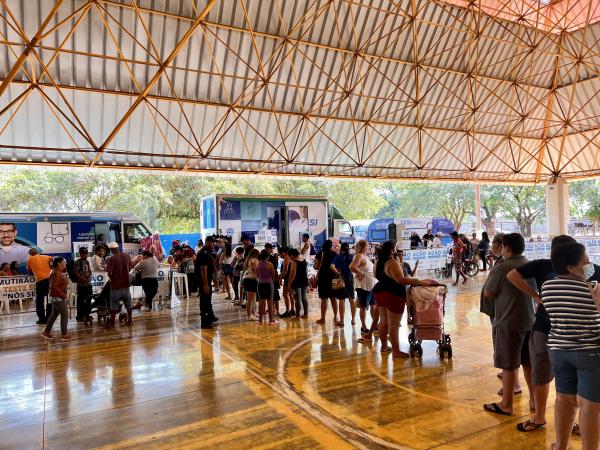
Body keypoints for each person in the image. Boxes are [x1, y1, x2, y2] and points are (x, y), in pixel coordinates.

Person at [506, 235, 587, 433]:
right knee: (542, 373)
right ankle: (540, 416)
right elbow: (512, 275)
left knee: (573, 378)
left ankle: (576, 422)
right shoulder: (543, 266)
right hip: (547, 329)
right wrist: (535, 296)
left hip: (573, 334)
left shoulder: (587, 269)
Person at [542, 242, 600, 450]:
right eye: (585, 261)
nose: (589, 265)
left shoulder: (547, 286)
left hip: (558, 350)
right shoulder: (592, 288)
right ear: (571, 267)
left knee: (564, 400)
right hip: (589, 352)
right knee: (589, 407)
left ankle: (562, 446)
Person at [483, 233, 535, 417]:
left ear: (507, 248)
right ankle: (534, 400)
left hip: (508, 321)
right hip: (529, 321)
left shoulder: (503, 267)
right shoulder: (530, 264)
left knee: (509, 364)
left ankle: (506, 404)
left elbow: (488, 292)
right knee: (528, 363)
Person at [372, 240, 434, 357]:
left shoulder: (381, 262)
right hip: (392, 294)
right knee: (393, 324)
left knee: (384, 321)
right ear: (392, 250)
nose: (397, 250)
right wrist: (419, 282)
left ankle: (384, 346)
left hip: (381, 292)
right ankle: (396, 351)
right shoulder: (393, 263)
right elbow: (400, 279)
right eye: (395, 248)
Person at [350, 239, 378, 338]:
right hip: (364, 287)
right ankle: (364, 326)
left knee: (373, 306)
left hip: (371, 286)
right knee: (364, 307)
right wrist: (360, 273)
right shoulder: (359, 256)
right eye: (367, 246)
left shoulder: (364, 256)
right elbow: (352, 267)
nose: (369, 247)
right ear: (363, 247)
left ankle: (375, 326)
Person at [41, 257, 73, 341]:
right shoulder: (57, 272)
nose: (65, 263)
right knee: (65, 315)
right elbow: (54, 286)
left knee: (54, 314)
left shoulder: (56, 271)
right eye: (64, 262)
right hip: (57, 297)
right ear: (59, 263)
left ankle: (46, 332)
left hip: (55, 296)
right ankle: (64, 334)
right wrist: (63, 295)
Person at [105, 242, 134, 328]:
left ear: (111, 249)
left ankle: (113, 323)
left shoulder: (111, 259)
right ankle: (130, 320)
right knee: (128, 304)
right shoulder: (126, 256)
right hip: (125, 285)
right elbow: (130, 268)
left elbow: (109, 273)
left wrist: (112, 277)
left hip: (116, 286)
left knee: (113, 305)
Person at [314, 240, 340, 324]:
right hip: (332, 278)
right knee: (333, 298)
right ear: (330, 246)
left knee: (324, 299)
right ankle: (335, 317)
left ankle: (323, 318)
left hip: (322, 279)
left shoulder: (320, 254)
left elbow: (315, 266)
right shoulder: (334, 254)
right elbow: (338, 267)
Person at [195, 236, 218, 329]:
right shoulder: (204, 253)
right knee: (205, 300)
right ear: (207, 242)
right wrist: (205, 285)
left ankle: (211, 317)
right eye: (212, 242)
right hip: (203, 280)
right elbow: (203, 269)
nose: (214, 244)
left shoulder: (207, 251)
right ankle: (204, 322)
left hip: (206, 280)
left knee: (207, 299)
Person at [26, 248, 53, 325]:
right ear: (38, 252)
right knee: (50, 300)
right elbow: (53, 264)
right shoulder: (47, 257)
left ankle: (41, 319)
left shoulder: (30, 259)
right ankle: (49, 318)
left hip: (40, 281)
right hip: (51, 280)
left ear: (30, 254)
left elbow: (29, 271)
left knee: (39, 301)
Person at [333, 242, 356, 327]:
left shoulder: (338, 257)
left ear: (341, 248)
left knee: (341, 300)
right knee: (352, 299)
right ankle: (353, 320)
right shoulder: (352, 257)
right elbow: (355, 267)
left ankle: (342, 321)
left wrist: (338, 273)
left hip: (342, 278)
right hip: (350, 278)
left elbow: (332, 266)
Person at [256, 250, 277, 325]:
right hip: (269, 283)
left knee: (261, 302)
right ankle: (271, 320)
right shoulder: (270, 264)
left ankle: (260, 320)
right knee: (270, 302)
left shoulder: (258, 264)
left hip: (260, 284)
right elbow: (273, 275)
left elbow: (258, 275)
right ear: (267, 256)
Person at [73, 247, 93, 325]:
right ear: (80, 254)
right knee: (81, 301)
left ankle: (87, 315)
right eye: (83, 254)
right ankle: (80, 316)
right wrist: (83, 278)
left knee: (88, 300)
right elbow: (76, 272)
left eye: (86, 254)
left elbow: (89, 271)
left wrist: (89, 276)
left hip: (88, 284)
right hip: (81, 285)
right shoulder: (77, 262)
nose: (85, 255)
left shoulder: (87, 261)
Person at [287, 248, 309, 318]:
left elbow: (292, 274)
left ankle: (297, 315)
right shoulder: (303, 258)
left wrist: (289, 284)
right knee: (304, 298)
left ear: (292, 255)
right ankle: (306, 314)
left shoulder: (294, 262)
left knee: (297, 299)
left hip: (297, 281)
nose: (290, 258)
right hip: (304, 280)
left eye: (290, 256)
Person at [242, 248, 260, 321]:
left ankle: (252, 313)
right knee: (250, 299)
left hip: (248, 279)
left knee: (251, 299)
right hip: (251, 280)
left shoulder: (248, 259)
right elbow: (255, 270)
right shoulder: (254, 260)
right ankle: (249, 315)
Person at [265, 243, 280, 312]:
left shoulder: (271, 256)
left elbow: (275, 266)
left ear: (269, 248)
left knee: (274, 292)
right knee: (271, 291)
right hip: (273, 274)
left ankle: (275, 308)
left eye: (266, 248)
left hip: (271, 274)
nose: (266, 250)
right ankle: (273, 308)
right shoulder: (275, 255)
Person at [278, 247, 293, 317]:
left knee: (285, 294)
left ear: (283, 252)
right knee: (291, 295)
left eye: (280, 253)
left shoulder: (286, 257)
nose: (279, 255)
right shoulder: (291, 257)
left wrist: (280, 278)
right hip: (291, 278)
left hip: (288, 279)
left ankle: (287, 311)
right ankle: (292, 310)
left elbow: (285, 269)